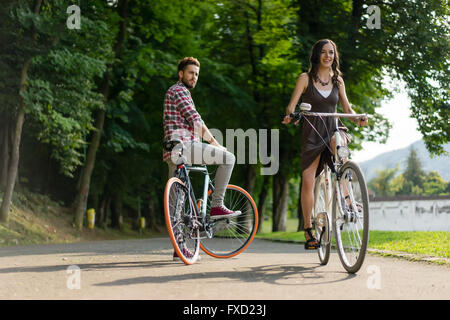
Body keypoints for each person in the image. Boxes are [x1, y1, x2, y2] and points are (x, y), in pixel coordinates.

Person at [282, 39, 368, 249]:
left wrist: (358, 118)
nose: (328, 56)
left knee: (338, 143)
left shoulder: (338, 81)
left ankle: (347, 199)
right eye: (323, 52)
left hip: (332, 128)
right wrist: (292, 116)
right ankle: (308, 230)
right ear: (317, 55)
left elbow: (346, 109)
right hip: (312, 134)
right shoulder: (305, 78)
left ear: (334, 56)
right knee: (308, 180)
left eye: (331, 52)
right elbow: (291, 107)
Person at [163, 57, 241, 259]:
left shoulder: (175, 92)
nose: (194, 77)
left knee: (176, 202)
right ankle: (217, 205)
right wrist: (215, 144)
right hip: (185, 147)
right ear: (181, 74)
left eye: (196, 74)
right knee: (229, 158)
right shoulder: (179, 90)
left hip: (172, 151)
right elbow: (196, 121)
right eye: (190, 73)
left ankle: (178, 248)